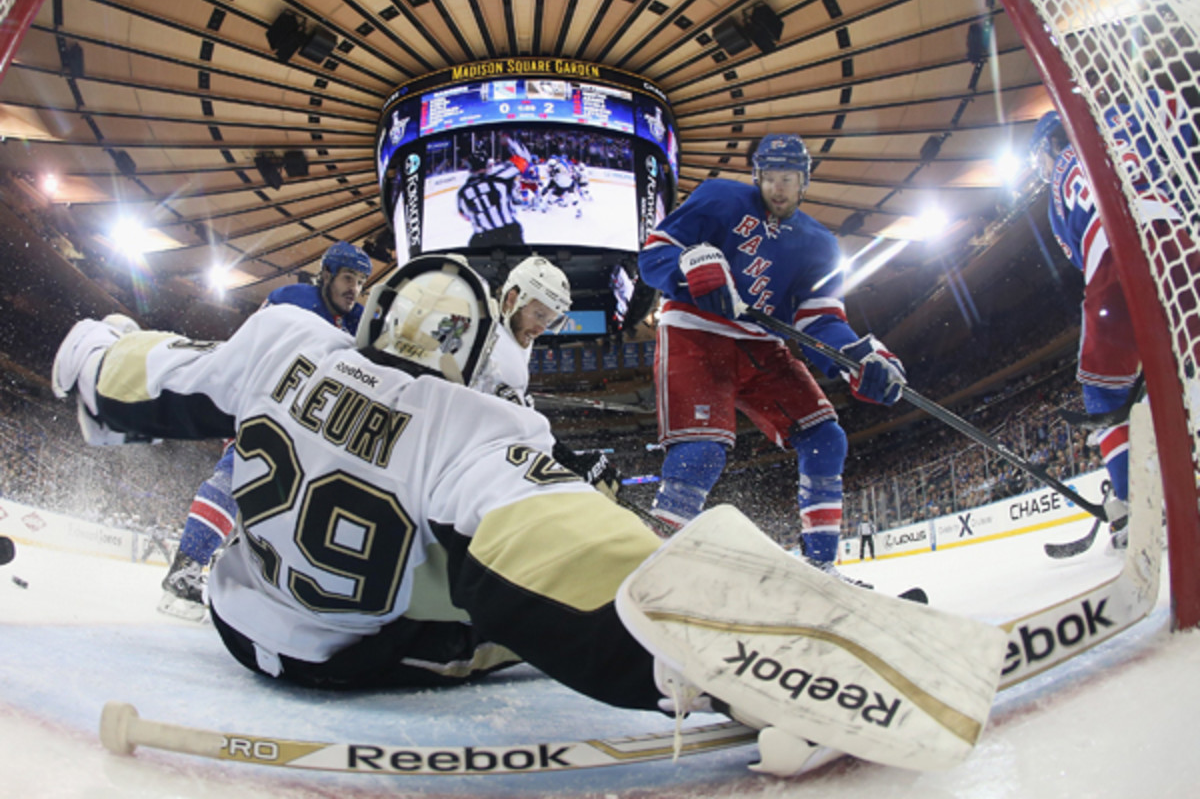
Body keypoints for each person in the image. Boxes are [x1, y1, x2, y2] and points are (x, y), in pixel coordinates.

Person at [51, 254, 996, 778]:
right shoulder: (471, 415)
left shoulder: (278, 340)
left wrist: (100, 352)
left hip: (238, 616)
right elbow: (560, 558)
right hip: (348, 656)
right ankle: (740, 648)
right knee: (501, 581)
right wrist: (746, 660)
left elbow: (129, 383)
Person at [637, 133, 908, 587]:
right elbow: (653, 255)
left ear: (804, 181)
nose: (778, 189)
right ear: (756, 176)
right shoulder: (719, 197)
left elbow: (819, 319)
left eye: (789, 179)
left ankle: (820, 568)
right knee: (702, 451)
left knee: (827, 437)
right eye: (770, 178)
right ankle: (656, 562)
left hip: (762, 344)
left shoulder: (819, 244)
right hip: (694, 332)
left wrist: (859, 357)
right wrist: (689, 263)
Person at [158, 241, 372, 620]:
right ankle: (185, 569)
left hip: (304, 421)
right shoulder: (293, 299)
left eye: (360, 281)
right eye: (347, 278)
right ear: (325, 275)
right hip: (262, 400)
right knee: (239, 472)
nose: (353, 288)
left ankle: (252, 589)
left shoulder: (355, 319)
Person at [1027, 99, 1196, 549]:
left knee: (1102, 391)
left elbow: (1083, 256)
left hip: (1112, 257)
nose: (1042, 167)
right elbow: (1176, 122)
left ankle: (1133, 503)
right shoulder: (1120, 127)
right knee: (1191, 364)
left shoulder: (1056, 192)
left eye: (1039, 156)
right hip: (1177, 238)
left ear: (1049, 144)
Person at [473, 254, 620, 499]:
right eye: (539, 315)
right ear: (512, 299)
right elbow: (522, 433)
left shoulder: (514, 334)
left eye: (550, 320)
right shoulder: (493, 346)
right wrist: (573, 464)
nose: (542, 328)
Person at [457, 145, 523, 247]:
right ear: (487, 166)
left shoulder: (463, 192)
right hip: (509, 232)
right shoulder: (500, 179)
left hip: (483, 238)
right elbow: (523, 162)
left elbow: (465, 216)